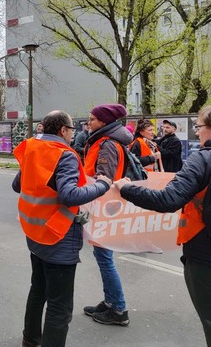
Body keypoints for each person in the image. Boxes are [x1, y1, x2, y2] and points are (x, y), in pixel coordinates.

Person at [115, 105, 211, 346]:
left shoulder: (205, 157)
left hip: (209, 253)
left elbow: (169, 199)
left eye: (199, 128)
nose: (197, 133)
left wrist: (126, 189)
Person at [13, 110, 112, 347]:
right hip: (58, 236)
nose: (73, 134)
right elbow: (70, 196)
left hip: (34, 233)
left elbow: (17, 185)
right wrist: (102, 184)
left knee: (38, 289)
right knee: (60, 305)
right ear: (63, 130)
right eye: (71, 130)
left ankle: (30, 339)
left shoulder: (31, 147)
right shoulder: (64, 155)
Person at [82, 103, 132, 326]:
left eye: (92, 119)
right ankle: (111, 301)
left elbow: (105, 178)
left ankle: (119, 309)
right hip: (102, 205)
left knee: (105, 258)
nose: (88, 122)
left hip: (104, 206)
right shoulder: (104, 141)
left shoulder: (108, 144)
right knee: (103, 257)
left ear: (104, 122)